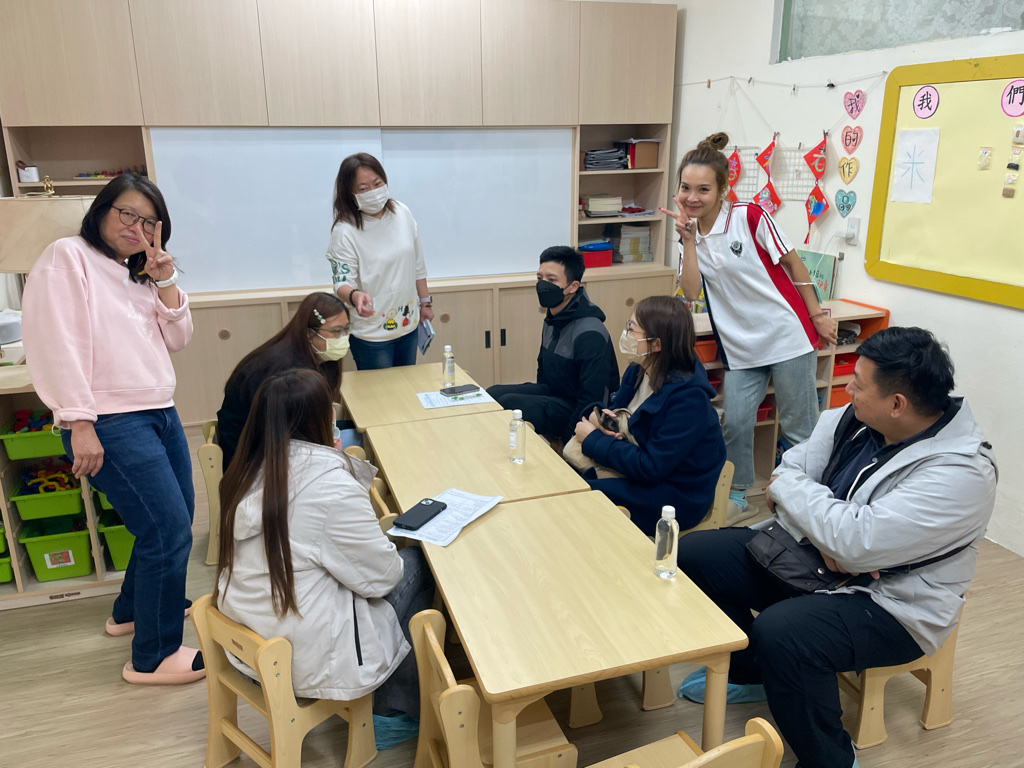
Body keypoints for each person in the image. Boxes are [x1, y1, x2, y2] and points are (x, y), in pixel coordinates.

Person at [676, 327, 997, 768]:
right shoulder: (858, 419)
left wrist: (827, 525)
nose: (848, 390)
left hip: (893, 606)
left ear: (897, 404)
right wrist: (826, 529)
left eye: (858, 384)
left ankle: (830, 759)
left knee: (784, 633)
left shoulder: (961, 474)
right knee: (695, 555)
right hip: (812, 560)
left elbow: (853, 543)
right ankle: (752, 671)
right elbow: (790, 469)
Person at [21, 174, 202, 685]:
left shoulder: (139, 274)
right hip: (110, 420)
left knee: (172, 520)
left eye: (148, 221)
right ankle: (153, 657)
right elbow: (56, 343)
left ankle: (129, 613)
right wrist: (78, 421)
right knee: (166, 530)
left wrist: (165, 279)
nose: (135, 227)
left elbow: (179, 339)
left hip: (159, 410)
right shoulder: (68, 256)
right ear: (102, 211)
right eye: (126, 213)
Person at [215, 368, 435, 748]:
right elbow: (384, 577)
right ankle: (390, 711)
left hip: (250, 644)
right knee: (418, 563)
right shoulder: (329, 487)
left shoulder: (248, 470)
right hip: (302, 657)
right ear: (318, 420)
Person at [662, 132, 839, 521]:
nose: (692, 197)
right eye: (686, 188)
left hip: (787, 335)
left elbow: (794, 264)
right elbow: (690, 292)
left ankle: (804, 498)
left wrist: (817, 315)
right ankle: (738, 492)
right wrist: (688, 241)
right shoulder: (688, 233)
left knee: (798, 426)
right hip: (740, 346)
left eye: (703, 189)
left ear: (722, 190)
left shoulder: (750, 217)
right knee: (737, 422)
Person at [570, 296, 725, 534]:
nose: (626, 334)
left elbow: (652, 467)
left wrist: (593, 439)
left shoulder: (689, 399)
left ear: (656, 344)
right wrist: (598, 418)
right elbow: (618, 412)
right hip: (640, 471)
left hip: (676, 494)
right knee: (566, 481)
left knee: (580, 497)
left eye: (632, 329)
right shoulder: (639, 370)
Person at [487, 246, 619, 443]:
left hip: (578, 409)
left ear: (573, 287)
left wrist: (567, 442)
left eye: (551, 280)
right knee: (493, 394)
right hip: (555, 393)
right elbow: (543, 370)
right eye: (539, 278)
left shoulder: (590, 333)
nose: (543, 285)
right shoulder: (553, 316)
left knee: (509, 403)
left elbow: (593, 401)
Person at [217, 292, 352, 470]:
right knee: (358, 447)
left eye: (346, 329)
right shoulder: (289, 374)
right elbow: (290, 439)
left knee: (353, 435)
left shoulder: (299, 353)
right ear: (309, 333)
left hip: (273, 444)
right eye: (336, 331)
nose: (343, 337)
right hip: (255, 461)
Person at [326, 153, 433, 370]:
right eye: (364, 188)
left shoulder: (402, 212)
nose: (373, 192)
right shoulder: (345, 231)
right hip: (371, 334)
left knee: (406, 386)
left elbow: (417, 265)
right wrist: (355, 296)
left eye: (377, 183)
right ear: (350, 193)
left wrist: (426, 303)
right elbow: (342, 283)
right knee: (379, 391)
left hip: (408, 325)